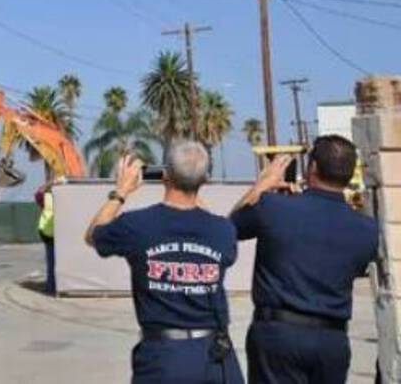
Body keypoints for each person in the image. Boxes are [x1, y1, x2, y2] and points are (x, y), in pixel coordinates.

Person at [85, 144, 243, 384]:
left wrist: (121, 192)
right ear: (205, 180)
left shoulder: (137, 225)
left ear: (164, 175)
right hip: (215, 357)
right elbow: (222, 247)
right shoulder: (222, 231)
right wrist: (194, 183)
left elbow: (93, 234)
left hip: (163, 358)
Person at [230, 136, 378, 383]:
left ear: (313, 168)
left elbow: (226, 230)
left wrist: (260, 187)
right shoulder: (367, 230)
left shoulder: (273, 208)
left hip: (277, 336)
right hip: (332, 340)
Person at [35, 182, 56, 295]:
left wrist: (49, 184)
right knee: (55, 261)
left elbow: (38, 193)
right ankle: (53, 286)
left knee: (51, 261)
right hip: (54, 233)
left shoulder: (45, 197)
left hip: (48, 232)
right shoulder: (64, 196)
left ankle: (51, 286)